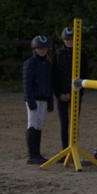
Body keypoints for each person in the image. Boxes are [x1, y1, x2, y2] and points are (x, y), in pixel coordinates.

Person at [22, 35, 57, 165]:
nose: (42, 50)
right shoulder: (30, 63)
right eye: (40, 48)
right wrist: (30, 100)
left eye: (44, 48)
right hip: (34, 98)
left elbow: (50, 83)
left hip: (44, 98)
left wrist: (50, 101)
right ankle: (32, 155)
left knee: (40, 125)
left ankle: (37, 153)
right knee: (32, 124)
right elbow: (27, 83)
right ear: (35, 49)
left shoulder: (48, 64)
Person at [52, 26, 86, 155]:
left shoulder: (82, 54)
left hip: (76, 94)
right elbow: (54, 75)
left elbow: (84, 75)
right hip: (61, 94)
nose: (69, 41)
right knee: (64, 123)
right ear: (63, 40)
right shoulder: (58, 54)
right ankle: (65, 151)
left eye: (72, 39)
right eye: (67, 39)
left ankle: (73, 149)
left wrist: (76, 93)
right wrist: (59, 94)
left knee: (74, 124)